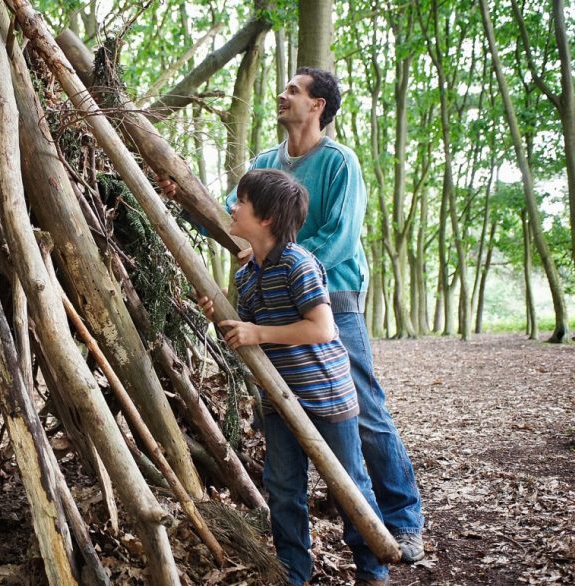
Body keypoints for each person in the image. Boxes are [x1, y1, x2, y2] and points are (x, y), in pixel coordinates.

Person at [160, 67, 425, 563]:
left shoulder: (339, 163)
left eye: (294, 91)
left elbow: (341, 237)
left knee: (362, 410)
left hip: (333, 299)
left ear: (318, 105)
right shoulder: (266, 163)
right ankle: (295, 556)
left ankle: (402, 522)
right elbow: (230, 220)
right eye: (284, 89)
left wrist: (283, 264)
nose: (283, 96)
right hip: (275, 301)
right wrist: (183, 202)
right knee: (282, 414)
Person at [200, 168, 388, 586]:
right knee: (284, 489)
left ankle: (374, 569)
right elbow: (245, 337)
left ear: (265, 218)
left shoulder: (298, 263)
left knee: (348, 483)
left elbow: (323, 328)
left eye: (242, 203)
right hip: (279, 401)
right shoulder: (246, 276)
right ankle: (293, 574)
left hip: (326, 396)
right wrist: (221, 320)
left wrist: (259, 332)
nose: (233, 207)